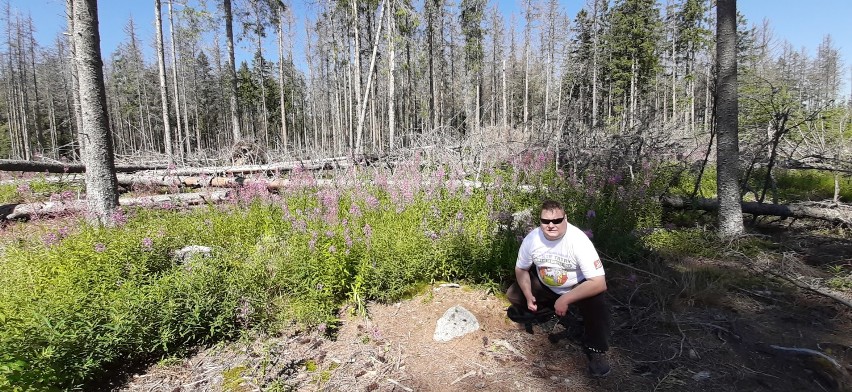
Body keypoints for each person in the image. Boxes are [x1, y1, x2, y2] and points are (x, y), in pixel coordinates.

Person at [506, 199, 612, 377]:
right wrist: (527, 293)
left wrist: (566, 298)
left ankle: (597, 349)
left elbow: (599, 282)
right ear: (540, 221)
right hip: (547, 285)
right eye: (545, 221)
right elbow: (521, 269)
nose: (551, 225)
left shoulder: (578, 240)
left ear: (565, 218)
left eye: (556, 221)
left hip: (576, 289)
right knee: (514, 295)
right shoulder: (532, 239)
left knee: (596, 302)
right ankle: (549, 310)